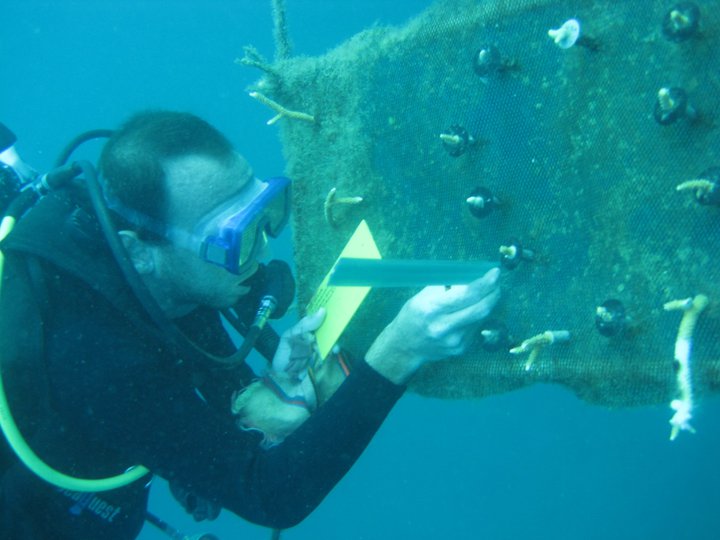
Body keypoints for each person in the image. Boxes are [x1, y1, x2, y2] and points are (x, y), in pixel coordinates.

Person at [0, 111, 500, 539]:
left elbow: (206, 400)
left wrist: (261, 390)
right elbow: (269, 493)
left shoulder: (163, 267)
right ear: (138, 250)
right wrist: (399, 352)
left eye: (266, 213)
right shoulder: (91, 358)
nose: (261, 249)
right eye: (233, 238)